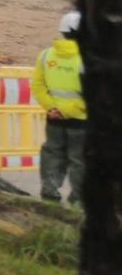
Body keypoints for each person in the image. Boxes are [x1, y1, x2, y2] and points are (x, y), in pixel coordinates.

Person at [33, 11, 86, 205]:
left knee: (52, 152)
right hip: (81, 120)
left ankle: (49, 191)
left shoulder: (46, 55)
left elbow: (38, 87)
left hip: (54, 117)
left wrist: (52, 108)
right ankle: (79, 198)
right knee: (79, 159)